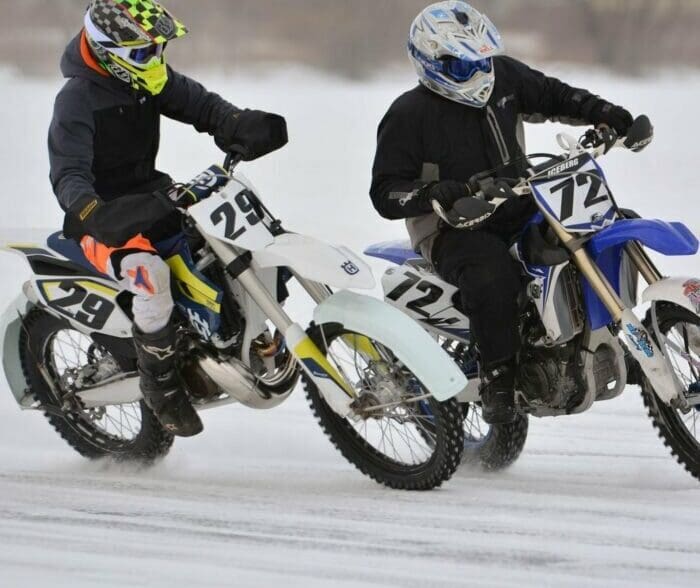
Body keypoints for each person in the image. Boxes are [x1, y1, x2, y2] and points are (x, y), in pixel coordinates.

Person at [370, 1, 640, 424]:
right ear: (429, 61)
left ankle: (614, 333)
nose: (476, 72)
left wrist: (605, 114)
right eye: (461, 66)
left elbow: (553, 94)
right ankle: (500, 383)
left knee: (607, 224)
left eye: (481, 60)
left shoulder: (503, 78)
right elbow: (385, 192)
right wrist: (440, 194)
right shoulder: (409, 114)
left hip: (519, 200)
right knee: (492, 276)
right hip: (451, 227)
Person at [49, 0, 288, 437]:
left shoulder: (146, 77)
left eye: (158, 49)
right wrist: (93, 211)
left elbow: (204, 107)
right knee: (151, 276)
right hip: (102, 220)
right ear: (110, 52)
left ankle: (248, 332)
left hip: (156, 198)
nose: (155, 59)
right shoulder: (76, 102)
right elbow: (68, 175)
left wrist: (237, 123)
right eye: (144, 52)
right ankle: (159, 384)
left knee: (236, 235)